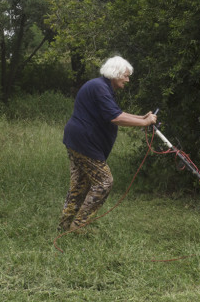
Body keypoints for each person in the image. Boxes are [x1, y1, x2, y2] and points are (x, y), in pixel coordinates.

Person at [58, 56, 157, 232]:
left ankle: (65, 226)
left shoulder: (101, 86)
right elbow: (116, 118)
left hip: (77, 141)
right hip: (85, 143)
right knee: (104, 182)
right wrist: (145, 123)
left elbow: (117, 112)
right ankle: (78, 226)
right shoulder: (100, 88)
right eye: (125, 76)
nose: (128, 80)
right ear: (116, 74)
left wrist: (141, 118)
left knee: (79, 185)